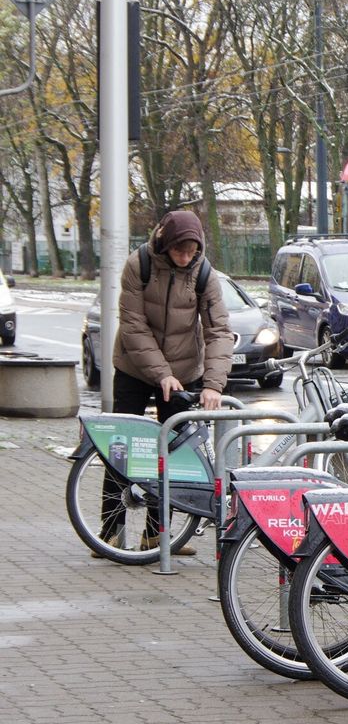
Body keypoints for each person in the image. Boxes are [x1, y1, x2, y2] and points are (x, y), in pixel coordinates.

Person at [94, 211, 234, 557]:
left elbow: (218, 330)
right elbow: (133, 326)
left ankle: (158, 535)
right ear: (165, 244)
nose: (185, 259)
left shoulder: (203, 275)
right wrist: (161, 373)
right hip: (134, 366)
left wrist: (213, 384)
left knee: (172, 449)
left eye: (191, 253)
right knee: (121, 447)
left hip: (184, 368)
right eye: (179, 252)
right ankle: (109, 533)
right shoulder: (138, 265)